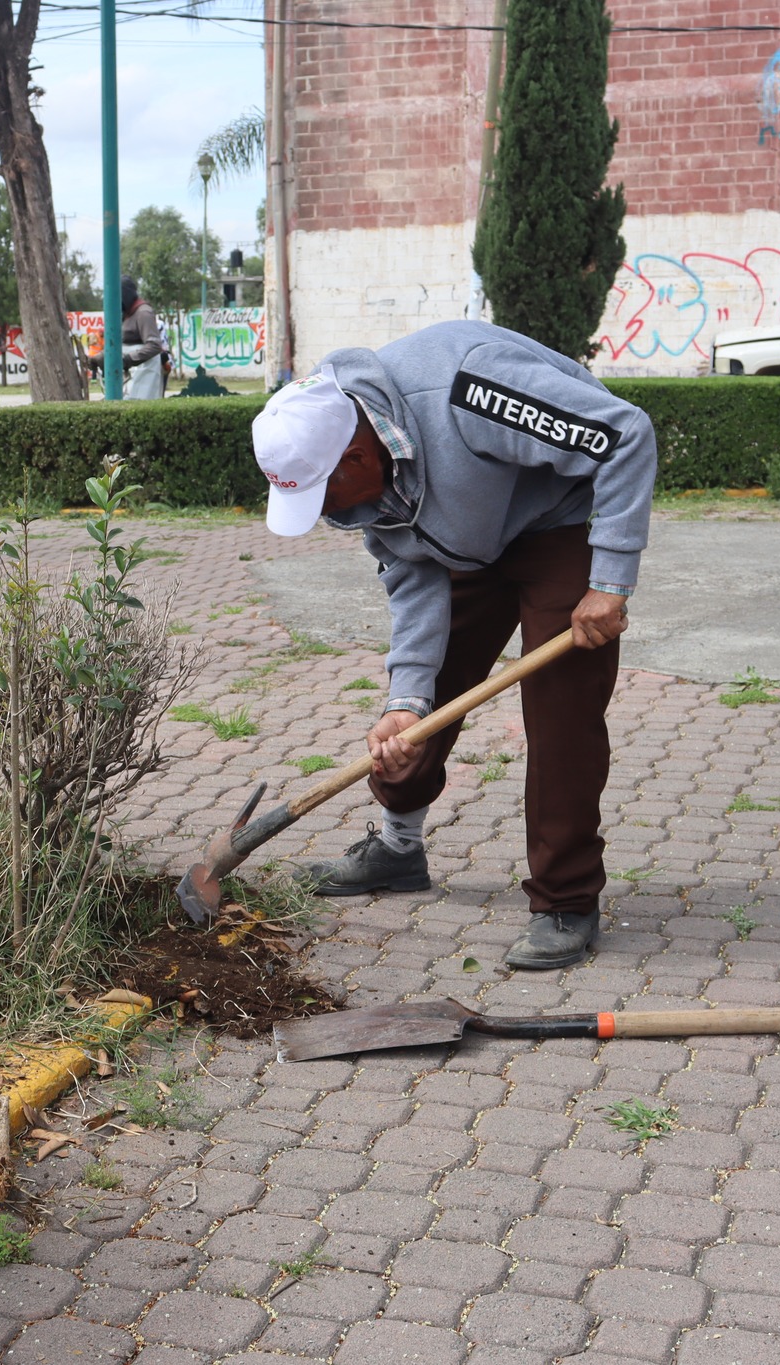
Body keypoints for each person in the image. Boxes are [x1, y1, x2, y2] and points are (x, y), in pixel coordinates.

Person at [251, 320, 656, 970]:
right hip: (470, 534)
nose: (331, 514)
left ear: (357, 457)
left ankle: (566, 898)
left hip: (563, 518)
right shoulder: (361, 473)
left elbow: (623, 434)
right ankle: (398, 848)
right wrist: (405, 699)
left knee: (560, 712)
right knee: (425, 697)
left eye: (327, 496)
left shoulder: (468, 389)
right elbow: (412, 578)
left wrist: (609, 578)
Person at [119, 276, 165, 400]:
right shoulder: (126, 313)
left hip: (143, 370)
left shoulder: (143, 313)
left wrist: (129, 359)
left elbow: (154, 345)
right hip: (131, 371)